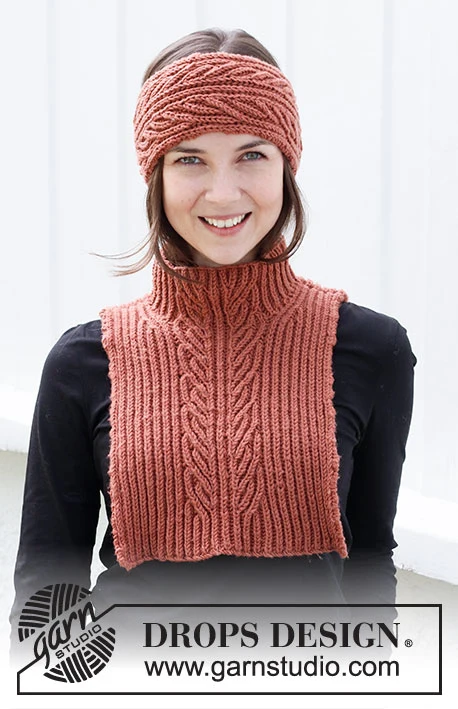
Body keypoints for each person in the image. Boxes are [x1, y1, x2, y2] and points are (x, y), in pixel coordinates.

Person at [10, 28, 415, 649]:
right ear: (155, 175)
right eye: (190, 159)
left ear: (287, 167)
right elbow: (46, 585)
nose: (223, 194)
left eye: (251, 155)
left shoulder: (370, 349)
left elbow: (369, 562)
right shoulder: (84, 361)